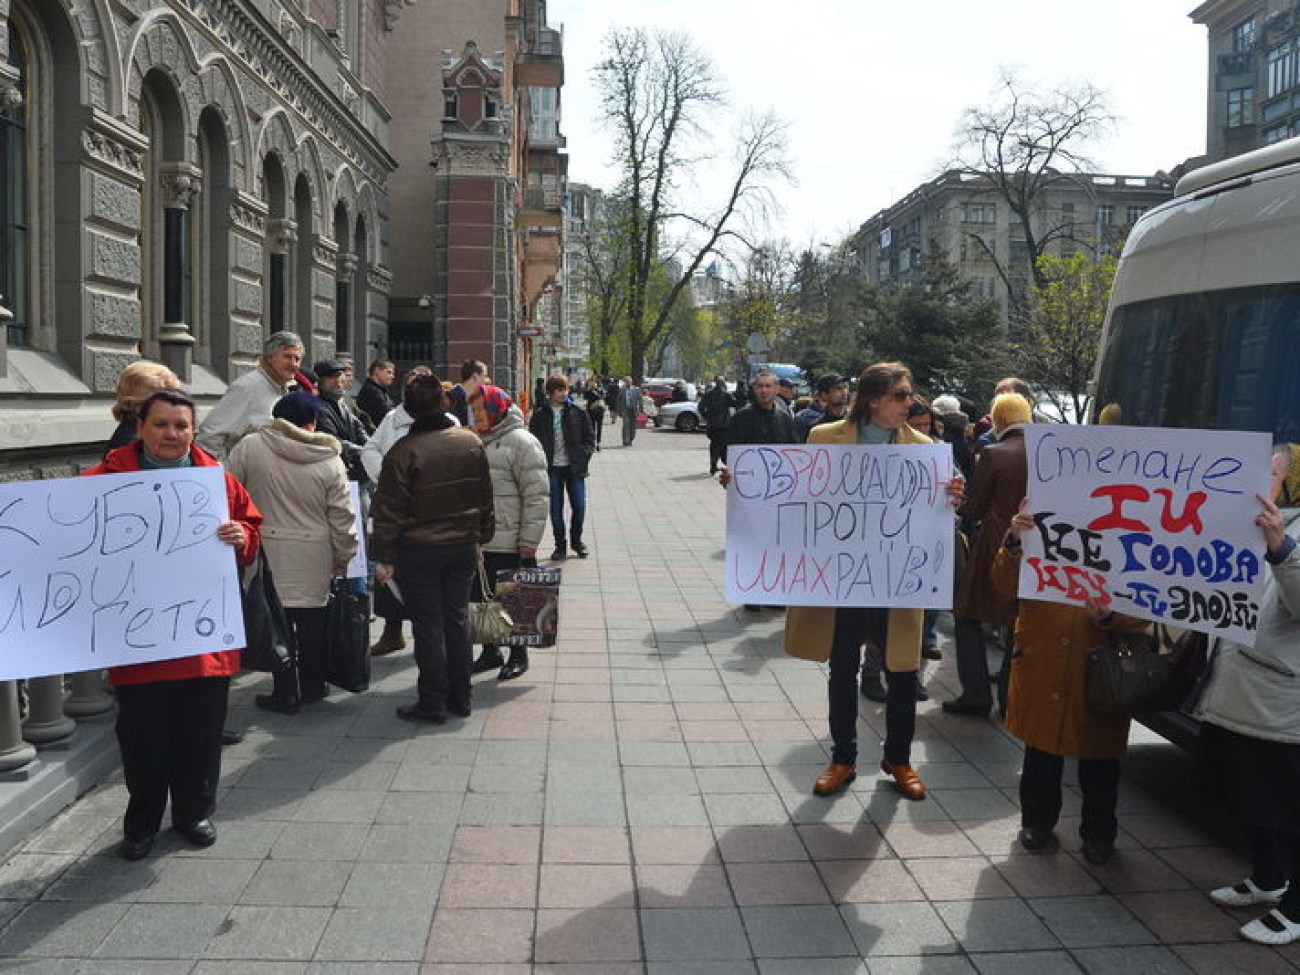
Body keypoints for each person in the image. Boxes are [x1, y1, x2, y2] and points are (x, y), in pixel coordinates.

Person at [84, 390, 262, 860]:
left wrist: (242, 537)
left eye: (181, 426)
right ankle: (141, 823)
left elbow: (251, 532)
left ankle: (193, 813)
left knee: (200, 736)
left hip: (203, 643)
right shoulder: (102, 479)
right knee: (142, 740)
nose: (172, 435)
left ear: (192, 428)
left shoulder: (215, 479)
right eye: (161, 425)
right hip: (139, 644)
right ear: (140, 426)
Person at [784, 362, 963, 803]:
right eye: (902, 395)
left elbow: (939, 518)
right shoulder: (824, 439)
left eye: (911, 395)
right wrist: (746, 485)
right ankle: (843, 757)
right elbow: (797, 497)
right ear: (873, 400)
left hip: (898, 580)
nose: (911, 403)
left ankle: (898, 759)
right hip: (845, 577)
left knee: (902, 670)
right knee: (842, 667)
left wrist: (953, 498)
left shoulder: (925, 449)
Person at [996, 498, 1151, 865]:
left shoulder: (1134, 531)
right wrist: (1014, 540)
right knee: (1040, 751)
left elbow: (1147, 607)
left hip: (1098, 669)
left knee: (1099, 761)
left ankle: (1099, 833)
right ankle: (1036, 822)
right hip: (1042, 655)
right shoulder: (1039, 516)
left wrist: (1112, 616)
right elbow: (1002, 581)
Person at [1193, 444, 1300, 944]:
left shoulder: (1286, 530)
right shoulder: (1244, 522)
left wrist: (1283, 550)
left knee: (1287, 805)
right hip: (1239, 687)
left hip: (1280, 700)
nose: (1261, 480)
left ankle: (1296, 907)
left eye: (1272, 473)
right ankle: (1268, 879)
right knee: (1252, 797)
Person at [371, 374, 495, 724]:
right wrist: (481, 539)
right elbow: (485, 496)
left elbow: (388, 511)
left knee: (429, 626)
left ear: (410, 412)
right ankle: (461, 697)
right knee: (455, 620)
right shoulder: (470, 442)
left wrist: (384, 556)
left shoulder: (403, 452)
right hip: (461, 546)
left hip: (421, 550)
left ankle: (433, 702)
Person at [226, 391, 357, 714]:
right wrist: (345, 555)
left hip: (266, 550)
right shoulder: (329, 459)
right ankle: (312, 686)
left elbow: (227, 491)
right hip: (314, 552)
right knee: (312, 623)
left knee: (277, 622)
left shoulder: (251, 447)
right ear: (313, 423)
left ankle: (285, 693)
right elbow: (342, 516)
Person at [945, 392, 1033, 717]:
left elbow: (976, 507)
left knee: (967, 616)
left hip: (995, 543)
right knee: (1018, 621)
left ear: (1000, 421)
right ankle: (1011, 697)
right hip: (1036, 548)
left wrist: (959, 504)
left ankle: (976, 694)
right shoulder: (1048, 453)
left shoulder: (994, 453)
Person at [361, 366, 445, 657]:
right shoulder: (391, 419)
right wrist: (386, 477)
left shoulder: (449, 423)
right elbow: (369, 450)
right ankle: (392, 631)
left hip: (429, 512)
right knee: (389, 570)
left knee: (428, 582)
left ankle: (432, 638)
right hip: (394, 508)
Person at [469, 386, 549, 681]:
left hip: (511, 539)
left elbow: (537, 495)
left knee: (512, 599)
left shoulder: (522, 442)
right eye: (474, 411)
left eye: (480, 411)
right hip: (482, 539)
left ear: (496, 410)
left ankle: (518, 654)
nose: (476, 416)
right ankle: (490, 651)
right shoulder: (477, 440)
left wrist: (529, 540)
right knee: (483, 598)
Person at [196, 331, 304, 458]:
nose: (293, 364)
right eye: (287, 357)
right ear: (270, 358)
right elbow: (209, 436)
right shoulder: (247, 387)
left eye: (297, 359)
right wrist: (220, 473)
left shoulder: (284, 388)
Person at [529, 375, 596, 561]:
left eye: (565, 389)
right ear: (550, 393)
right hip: (552, 469)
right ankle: (560, 545)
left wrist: (583, 456)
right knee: (555, 510)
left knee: (580, 507)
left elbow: (590, 438)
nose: (563, 393)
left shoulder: (577, 412)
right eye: (559, 390)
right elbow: (532, 441)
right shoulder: (540, 415)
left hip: (574, 468)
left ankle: (577, 541)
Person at [313, 359, 370, 481]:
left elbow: (359, 428)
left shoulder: (344, 402)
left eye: (339, 375)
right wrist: (366, 452)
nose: (338, 380)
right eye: (332, 377)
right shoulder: (318, 406)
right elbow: (333, 440)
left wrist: (371, 448)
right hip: (335, 471)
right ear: (320, 381)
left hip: (357, 471)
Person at [107, 361, 181, 454]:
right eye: (154, 402)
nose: (166, 407)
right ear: (129, 403)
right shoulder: (132, 441)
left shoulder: (146, 433)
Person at [794, 373, 849, 444]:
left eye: (846, 387)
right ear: (824, 395)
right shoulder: (814, 427)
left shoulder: (856, 422)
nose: (844, 392)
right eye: (838, 389)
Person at [699, 376, 738, 475]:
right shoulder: (726, 395)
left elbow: (701, 407)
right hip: (723, 425)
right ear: (723, 384)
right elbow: (736, 404)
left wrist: (707, 417)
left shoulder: (708, 394)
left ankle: (714, 465)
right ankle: (718, 464)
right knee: (721, 446)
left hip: (712, 425)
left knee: (715, 444)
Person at [356, 358, 396, 429]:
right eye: (389, 372)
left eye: (393, 373)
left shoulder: (379, 390)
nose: (392, 376)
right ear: (377, 371)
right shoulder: (371, 391)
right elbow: (389, 415)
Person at [450, 359, 489, 427]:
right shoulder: (452, 398)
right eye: (484, 376)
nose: (486, 380)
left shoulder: (479, 398)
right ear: (475, 376)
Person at [581, 377, 607, 451]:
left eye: (594, 382)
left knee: (599, 427)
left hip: (599, 410)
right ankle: (592, 443)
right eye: (591, 382)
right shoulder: (588, 390)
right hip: (591, 410)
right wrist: (589, 389)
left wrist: (595, 391)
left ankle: (598, 443)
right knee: (592, 427)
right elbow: (585, 397)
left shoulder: (601, 389)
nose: (593, 383)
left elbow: (602, 397)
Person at [617, 376, 641, 446]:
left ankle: (631, 438)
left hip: (633, 410)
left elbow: (640, 400)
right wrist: (618, 410)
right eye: (626, 381)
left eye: (629, 381)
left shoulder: (636, 389)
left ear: (631, 382)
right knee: (626, 424)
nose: (628, 383)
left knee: (633, 425)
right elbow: (618, 400)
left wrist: (640, 410)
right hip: (625, 409)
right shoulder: (622, 390)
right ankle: (625, 440)